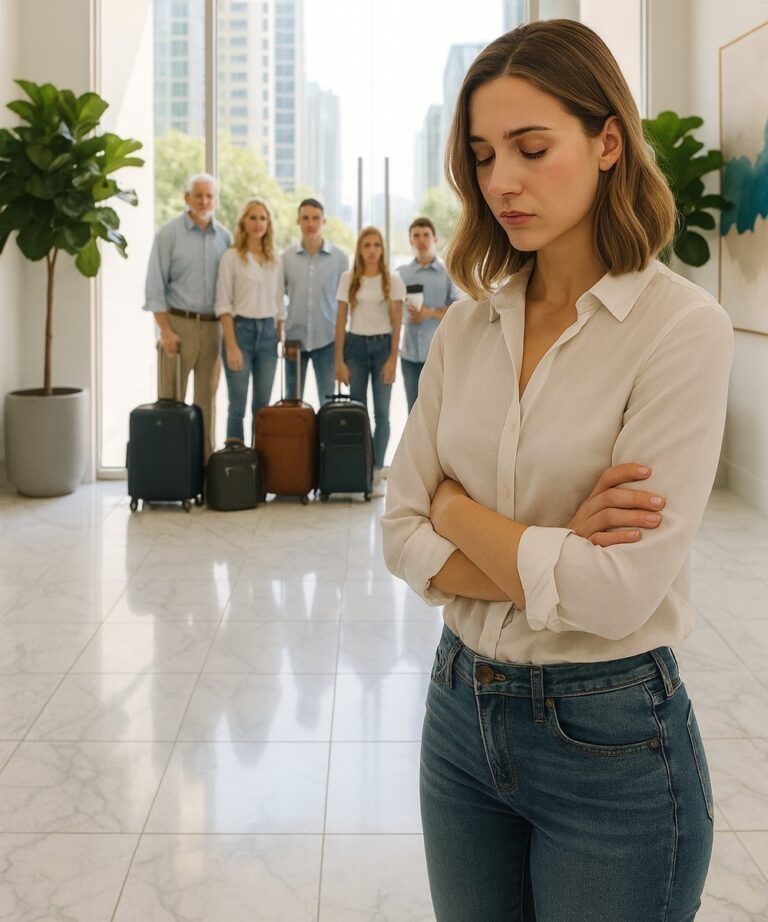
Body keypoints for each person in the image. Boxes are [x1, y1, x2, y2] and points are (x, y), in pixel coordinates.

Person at [381, 20, 733, 922]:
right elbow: (396, 532)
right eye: (485, 155)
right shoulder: (466, 327)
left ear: (607, 140)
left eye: (533, 148)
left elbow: (616, 595)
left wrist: (457, 512)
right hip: (459, 716)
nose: (503, 181)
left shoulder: (680, 331)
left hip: (612, 739)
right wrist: (555, 546)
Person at [143, 172, 232, 461]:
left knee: (207, 402)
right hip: (177, 326)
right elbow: (155, 287)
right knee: (171, 401)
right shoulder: (169, 234)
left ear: (215, 200)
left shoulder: (225, 238)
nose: (204, 201)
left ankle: (205, 470)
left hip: (211, 329)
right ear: (187, 198)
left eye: (209, 196)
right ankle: (172, 470)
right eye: (198, 195)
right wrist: (165, 332)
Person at [335, 226, 404, 486]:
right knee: (357, 410)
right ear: (360, 249)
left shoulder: (393, 280)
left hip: (383, 347)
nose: (372, 250)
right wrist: (338, 360)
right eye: (367, 245)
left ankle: (375, 470)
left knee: (382, 414)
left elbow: (398, 322)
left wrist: (392, 360)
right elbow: (341, 319)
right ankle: (359, 468)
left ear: (382, 249)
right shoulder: (348, 278)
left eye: (377, 245)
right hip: (354, 347)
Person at [214, 197, 284, 442]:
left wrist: (279, 336)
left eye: (263, 218)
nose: (258, 223)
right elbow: (223, 304)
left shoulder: (275, 260)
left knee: (262, 408)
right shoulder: (231, 257)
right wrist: (231, 345)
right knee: (237, 406)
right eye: (252, 217)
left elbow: (278, 304)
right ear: (243, 222)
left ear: (269, 224)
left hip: (267, 335)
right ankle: (236, 467)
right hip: (239, 333)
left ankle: (259, 467)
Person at [281, 198, 349, 405]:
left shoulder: (340, 258)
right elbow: (280, 295)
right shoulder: (286, 257)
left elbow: (344, 303)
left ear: (324, 221)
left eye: (315, 218)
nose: (310, 223)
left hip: (327, 341)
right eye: (305, 218)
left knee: (328, 403)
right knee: (292, 402)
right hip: (294, 342)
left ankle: (324, 440)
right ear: (298, 221)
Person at [396, 217, 461, 412]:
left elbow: (458, 310)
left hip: (439, 355)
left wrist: (429, 313)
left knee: (439, 412)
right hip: (409, 355)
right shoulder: (401, 273)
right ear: (410, 241)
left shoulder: (447, 272)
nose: (421, 240)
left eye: (426, 235)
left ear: (435, 239)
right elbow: (393, 310)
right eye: (416, 236)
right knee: (413, 412)